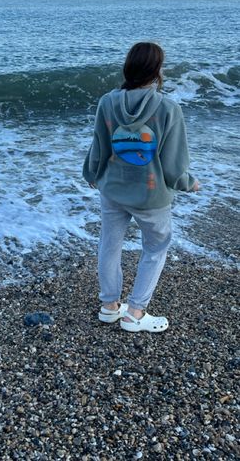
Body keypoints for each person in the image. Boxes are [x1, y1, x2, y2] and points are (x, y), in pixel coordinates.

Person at [83, 42, 199, 332]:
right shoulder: (167, 108)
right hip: (150, 195)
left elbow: (99, 145)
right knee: (156, 248)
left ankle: (110, 306)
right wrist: (188, 183)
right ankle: (135, 312)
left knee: (109, 245)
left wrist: (91, 172)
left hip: (112, 188)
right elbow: (172, 163)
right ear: (157, 70)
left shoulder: (108, 102)